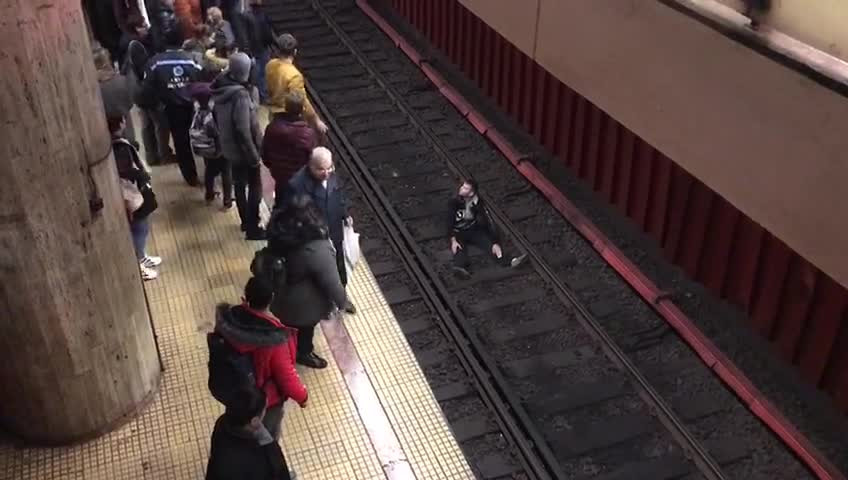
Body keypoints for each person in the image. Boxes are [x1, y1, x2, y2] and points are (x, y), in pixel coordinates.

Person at [215, 277, 307, 440]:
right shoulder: (273, 337)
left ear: (246, 295)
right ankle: (265, 452)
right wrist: (302, 397)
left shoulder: (229, 319)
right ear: (271, 298)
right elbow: (286, 375)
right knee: (266, 434)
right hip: (262, 399)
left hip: (235, 390)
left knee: (240, 424)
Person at [267, 195, 347, 369]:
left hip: (281, 292)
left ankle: (288, 345)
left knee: (288, 326)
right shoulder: (316, 248)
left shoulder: (277, 229)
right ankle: (303, 352)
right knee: (305, 329)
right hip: (303, 304)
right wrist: (343, 302)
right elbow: (332, 282)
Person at [283, 148, 355, 314]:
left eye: (329, 168)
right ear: (310, 165)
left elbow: (339, 196)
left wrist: (344, 214)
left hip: (334, 231)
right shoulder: (297, 185)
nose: (326, 173)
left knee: (338, 263)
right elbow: (291, 214)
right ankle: (325, 302)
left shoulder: (331, 175)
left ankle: (341, 295)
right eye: (321, 169)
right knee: (321, 271)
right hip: (314, 239)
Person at [212, 52, 266, 240]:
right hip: (244, 152)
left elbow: (215, 116)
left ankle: (244, 222)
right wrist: (254, 157)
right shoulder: (241, 96)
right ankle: (253, 227)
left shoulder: (220, 86)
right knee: (255, 187)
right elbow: (243, 129)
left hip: (229, 149)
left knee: (239, 185)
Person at [143, 26, 203, 186]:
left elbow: (147, 87)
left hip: (170, 108)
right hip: (192, 106)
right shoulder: (191, 60)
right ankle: (210, 173)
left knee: (181, 142)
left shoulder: (155, 62)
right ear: (181, 41)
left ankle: (190, 177)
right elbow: (201, 78)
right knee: (201, 135)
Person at [109, 116, 162, 281]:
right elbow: (125, 170)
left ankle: (142, 256)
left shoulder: (114, 144)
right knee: (140, 228)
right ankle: (139, 265)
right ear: (120, 124)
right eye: (123, 120)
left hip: (131, 192)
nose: (125, 122)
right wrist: (141, 175)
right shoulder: (119, 147)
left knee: (142, 227)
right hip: (131, 194)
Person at [205, 386, 294, 480]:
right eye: (264, 409)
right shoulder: (261, 457)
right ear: (254, 421)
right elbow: (280, 472)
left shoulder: (222, 424)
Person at [448, 179, 526, 277]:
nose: (461, 189)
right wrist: (453, 240)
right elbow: (449, 222)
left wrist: (494, 242)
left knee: (491, 245)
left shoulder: (477, 202)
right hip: (458, 232)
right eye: (463, 186)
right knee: (459, 248)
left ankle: (510, 261)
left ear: (471, 193)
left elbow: (486, 220)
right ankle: (460, 267)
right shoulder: (454, 202)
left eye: (465, 188)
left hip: (473, 230)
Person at [263, 91, 318, 202]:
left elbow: (264, 152)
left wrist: (273, 167)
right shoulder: (307, 134)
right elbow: (312, 158)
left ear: (286, 108)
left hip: (279, 175)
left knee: (280, 202)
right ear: (302, 109)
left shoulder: (272, 127)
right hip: (300, 179)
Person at [266, 33, 327, 134]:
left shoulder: (270, 65)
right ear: (295, 52)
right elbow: (302, 101)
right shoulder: (294, 75)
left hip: (272, 113)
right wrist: (316, 120)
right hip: (288, 118)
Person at [188, 79, 233, 208]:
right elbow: (219, 132)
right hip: (220, 147)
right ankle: (227, 201)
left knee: (209, 170)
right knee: (226, 171)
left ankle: (209, 195)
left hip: (205, 149)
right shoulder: (214, 112)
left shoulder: (197, 111)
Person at [94, 44, 139, 144]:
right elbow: (130, 102)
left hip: (106, 133)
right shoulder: (122, 80)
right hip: (125, 127)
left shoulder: (93, 87)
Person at [233, 0, 276, 104]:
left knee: (262, 73)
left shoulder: (257, 12)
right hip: (257, 49)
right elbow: (244, 35)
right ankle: (262, 97)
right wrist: (248, 51)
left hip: (261, 48)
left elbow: (265, 29)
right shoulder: (244, 13)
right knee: (259, 74)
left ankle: (263, 95)